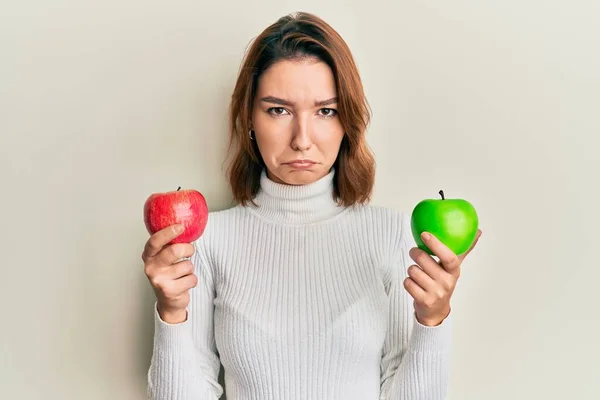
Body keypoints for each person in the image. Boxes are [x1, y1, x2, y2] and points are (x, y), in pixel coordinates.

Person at [142, 11, 481, 400]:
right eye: (278, 110)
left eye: (325, 111)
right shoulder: (206, 241)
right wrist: (170, 313)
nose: (302, 139)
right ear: (249, 119)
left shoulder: (395, 235)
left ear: (347, 121)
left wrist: (432, 321)